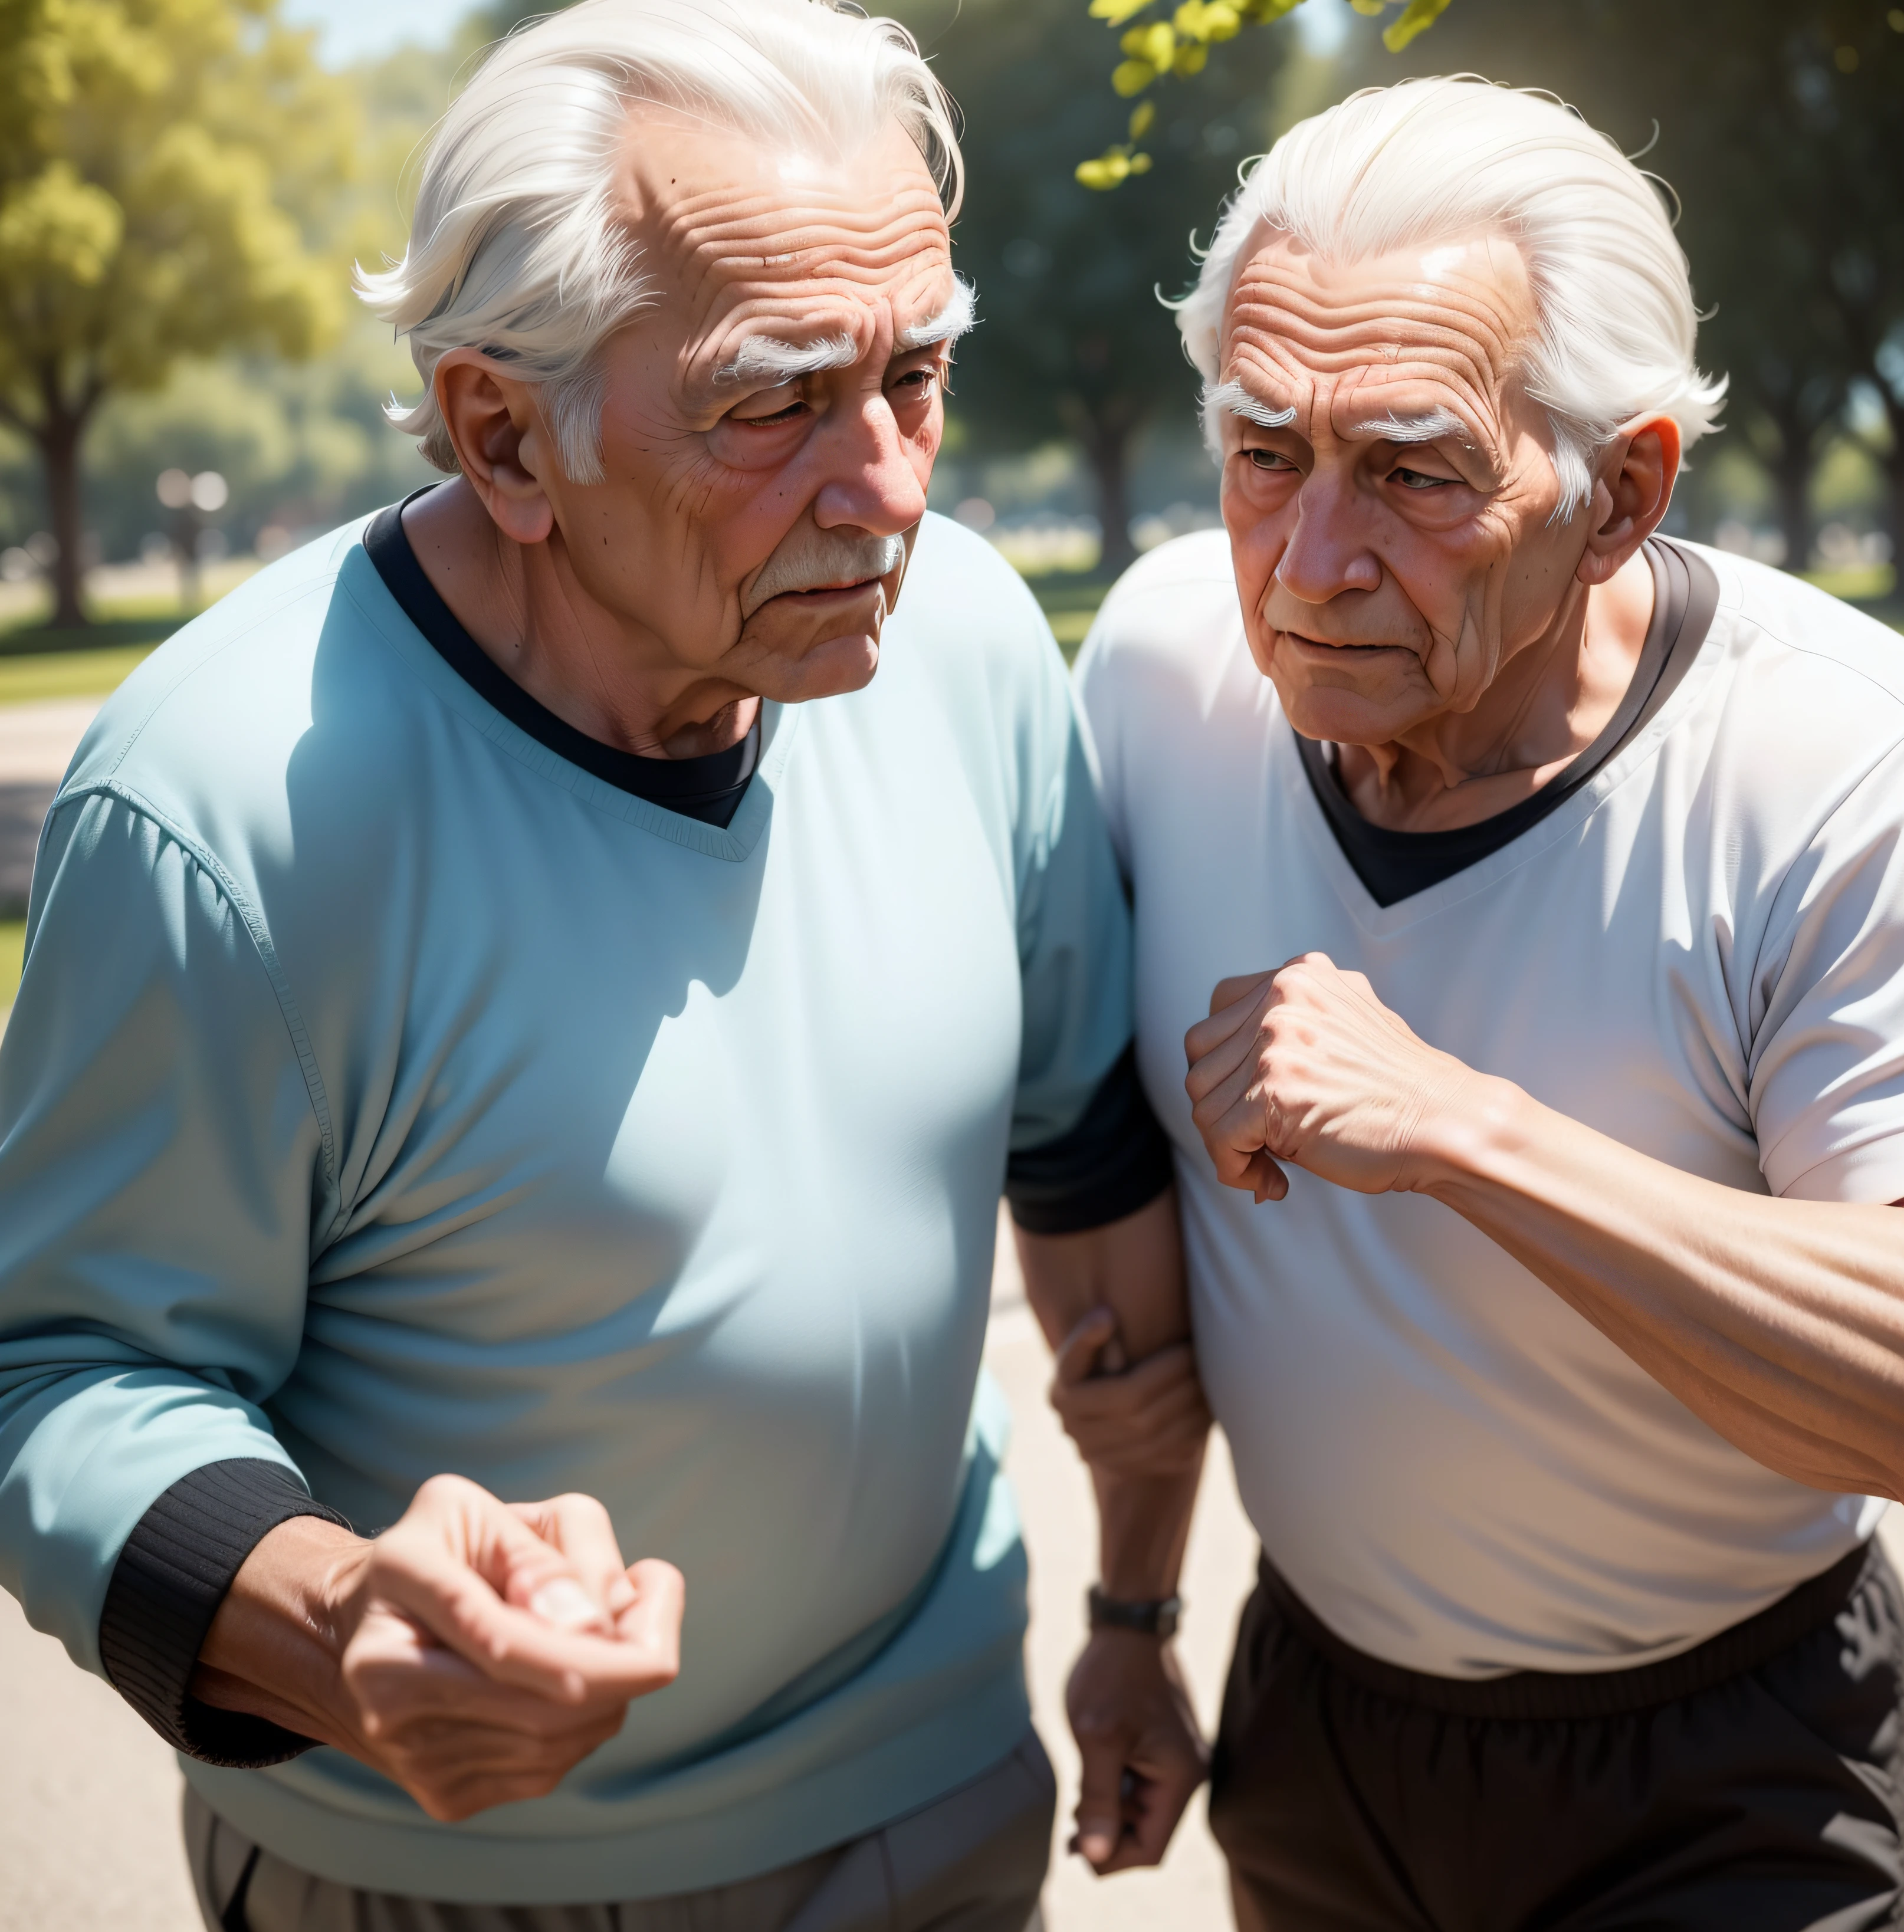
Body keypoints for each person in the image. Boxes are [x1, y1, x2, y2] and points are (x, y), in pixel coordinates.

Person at [0, 5, 1189, 1928]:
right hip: (441, 1878)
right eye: (774, 401)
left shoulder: (963, 638)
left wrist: (1135, 1605)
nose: (887, 488)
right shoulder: (223, 806)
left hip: (938, 1805)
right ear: (501, 433)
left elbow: (1082, 1153)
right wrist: (336, 1625)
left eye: (919, 372)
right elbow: (63, 1368)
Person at [1063, 76, 1904, 1931]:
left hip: (1723, 1767)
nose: (1306, 568)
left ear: (1619, 491)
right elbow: (1138, 1243)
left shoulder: (1838, 764)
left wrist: (1466, 1130)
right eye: (1262, 451)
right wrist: (1135, 1614)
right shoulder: (1151, 669)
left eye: (1414, 468)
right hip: (1318, 1719)